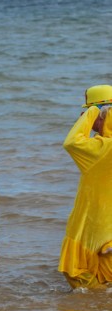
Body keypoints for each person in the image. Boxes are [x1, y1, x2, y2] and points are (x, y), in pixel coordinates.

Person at [58, 85, 112, 289]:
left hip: (97, 228)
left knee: (77, 273)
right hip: (107, 231)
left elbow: (72, 143)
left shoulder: (103, 149)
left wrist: (91, 112)